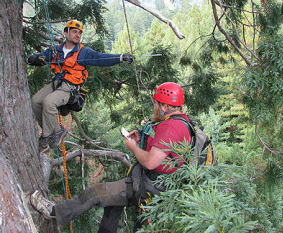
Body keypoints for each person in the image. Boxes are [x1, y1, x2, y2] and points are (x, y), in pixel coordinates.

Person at [30, 82, 192, 232]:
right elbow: (165, 148)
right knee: (112, 204)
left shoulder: (171, 126)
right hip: (155, 185)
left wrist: (133, 148)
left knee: (95, 193)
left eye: (156, 103)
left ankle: (54, 212)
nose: (155, 106)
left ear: (164, 106)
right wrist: (141, 137)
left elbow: (151, 162)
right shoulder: (180, 122)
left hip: (152, 188)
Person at [26, 19, 134, 149]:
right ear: (66, 33)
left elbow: (101, 58)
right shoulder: (57, 50)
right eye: (74, 32)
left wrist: (121, 58)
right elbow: (37, 57)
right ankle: (56, 130)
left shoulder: (83, 52)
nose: (78, 35)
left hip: (70, 87)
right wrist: (34, 59)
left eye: (80, 33)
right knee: (35, 101)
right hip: (57, 83)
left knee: (49, 102)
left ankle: (46, 136)